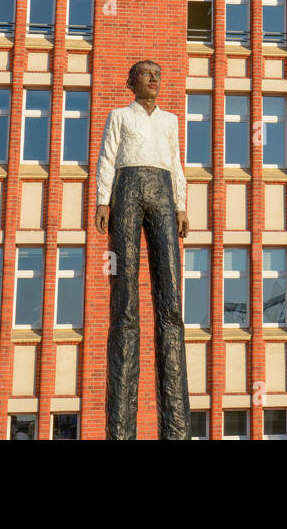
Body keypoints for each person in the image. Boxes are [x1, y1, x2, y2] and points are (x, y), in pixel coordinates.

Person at [95, 59, 190, 439]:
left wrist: (181, 205)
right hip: (128, 189)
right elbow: (106, 158)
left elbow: (177, 163)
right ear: (131, 81)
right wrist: (104, 201)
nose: (154, 79)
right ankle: (121, 430)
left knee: (170, 302)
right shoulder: (119, 116)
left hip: (163, 192)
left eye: (158, 74)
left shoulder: (169, 122)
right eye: (146, 74)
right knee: (126, 303)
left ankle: (177, 428)